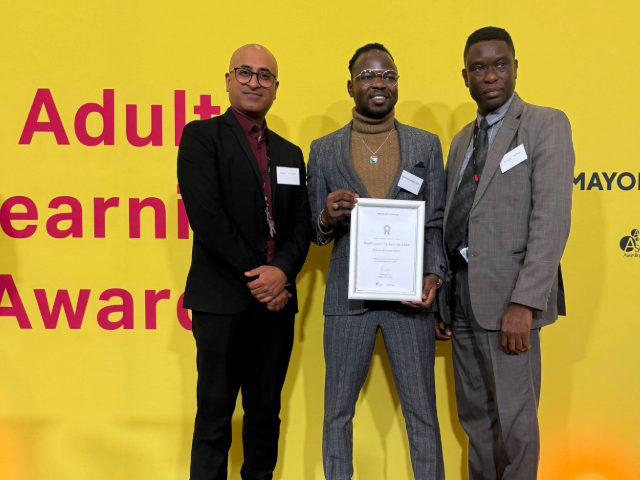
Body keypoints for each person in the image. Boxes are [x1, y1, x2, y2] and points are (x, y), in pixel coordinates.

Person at [436, 27, 575, 479]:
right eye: (479, 68)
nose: (490, 76)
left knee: (515, 425)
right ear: (465, 77)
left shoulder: (545, 124)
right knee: (476, 421)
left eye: (499, 65)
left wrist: (525, 302)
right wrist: (443, 298)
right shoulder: (462, 140)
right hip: (461, 301)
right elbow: (455, 220)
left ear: (515, 68)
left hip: (510, 304)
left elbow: (551, 220)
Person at [307, 43, 447, 480]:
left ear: (397, 83)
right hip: (347, 300)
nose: (379, 82)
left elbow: (435, 221)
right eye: (367, 75)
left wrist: (433, 274)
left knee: (422, 413)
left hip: (410, 299)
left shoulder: (425, 144)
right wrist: (327, 216)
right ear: (350, 86)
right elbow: (314, 229)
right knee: (337, 412)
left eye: (388, 75)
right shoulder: (324, 149)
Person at [177, 44, 311, 480]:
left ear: (276, 86)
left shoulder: (290, 153)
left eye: (264, 75)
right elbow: (208, 218)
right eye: (245, 72)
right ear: (228, 80)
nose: (255, 82)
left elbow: (301, 224)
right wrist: (262, 277)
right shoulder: (201, 137)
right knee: (214, 419)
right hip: (222, 302)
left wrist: (282, 272)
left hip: (276, 307)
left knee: (265, 417)